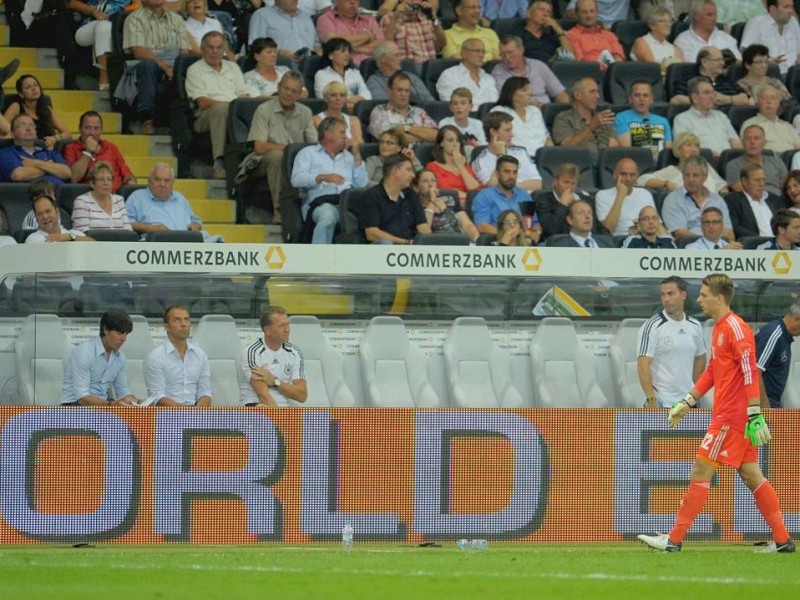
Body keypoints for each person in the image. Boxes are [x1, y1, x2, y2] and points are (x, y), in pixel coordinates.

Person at [638, 273, 795, 554]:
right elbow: (712, 371)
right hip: (732, 417)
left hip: (731, 418)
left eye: (703, 294)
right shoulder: (719, 328)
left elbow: (750, 370)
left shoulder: (736, 329)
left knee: (701, 470)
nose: (699, 298)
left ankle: (673, 540)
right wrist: (687, 402)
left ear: (719, 298)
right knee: (752, 476)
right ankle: (783, 540)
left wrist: (754, 413)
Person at [246, 71, 318, 224]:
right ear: (278, 87)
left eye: (294, 91)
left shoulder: (305, 112)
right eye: (286, 89)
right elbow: (259, 147)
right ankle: (280, 210)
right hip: (263, 162)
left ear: (299, 94)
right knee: (277, 156)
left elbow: (314, 145)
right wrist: (288, 150)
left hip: (295, 162)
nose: (289, 94)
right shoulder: (264, 110)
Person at [185, 31, 253, 179]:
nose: (215, 51)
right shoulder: (195, 70)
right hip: (205, 117)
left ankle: (251, 161)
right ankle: (219, 162)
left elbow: (243, 94)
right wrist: (231, 107)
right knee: (222, 109)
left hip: (234, 112)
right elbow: (202, 102)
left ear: (224, 50)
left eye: (219, 47)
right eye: (210, 47)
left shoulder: (233, 67)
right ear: (203, 49)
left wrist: (236, 109)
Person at [290, 117, 367, 243]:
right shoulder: (308, 154)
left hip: (347, 206)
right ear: (328, 135)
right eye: (342, 133)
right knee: (328, 216)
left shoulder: (349, 157)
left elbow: (361, 185)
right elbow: (296, 180)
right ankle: (320, 259)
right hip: (320, 204)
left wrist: (357, 156)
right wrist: (322, 177)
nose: (346, 137)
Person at [123, 0, 192, 134]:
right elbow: (139, 51)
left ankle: (189, 120)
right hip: (147, 63)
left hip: (174, 63)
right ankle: (146, 119)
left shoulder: (176, 19)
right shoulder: (134, 18)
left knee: (192, 67)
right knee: (149, 66)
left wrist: (177, 69)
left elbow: (184, 51)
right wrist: (165, 68)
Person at [637, 275, 706, 409]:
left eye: (670, 294)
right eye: (663, 295)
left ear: (683, 295)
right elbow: (642, 365)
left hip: (688, 403)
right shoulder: (651, 326)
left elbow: (701, 357)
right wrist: (651, 399)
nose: (666, 299)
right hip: (662, 403)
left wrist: (695, 390)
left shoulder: (695, 325)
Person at [60, 310, 140, 406]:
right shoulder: (84, 352)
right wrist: (111, 405)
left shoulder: (120, 358)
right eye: (120, 333)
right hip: (73, 407)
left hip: (102, 407)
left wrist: (139, 402)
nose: (124, 339)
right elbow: (82, 397)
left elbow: (123, 391)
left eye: (126, 334)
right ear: (106, 330)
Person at [126, 162, 221, 241]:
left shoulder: (180, 198)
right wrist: (152, 228)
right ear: (149, 181)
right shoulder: (137, 197)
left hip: (186, 242)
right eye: (158, 180)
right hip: (157, 243)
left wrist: (196, 225)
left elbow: (195, 219)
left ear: (172, 183)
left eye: (167, 181)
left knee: (218, 242)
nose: (162, 184)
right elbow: (125, 223)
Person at [144, 305, 212, 407]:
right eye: (177, 320)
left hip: (195, 413)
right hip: (166, 415)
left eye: (186, 320)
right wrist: (185, 413)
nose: (184, 324)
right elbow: (157, 396)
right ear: (167, 326)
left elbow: (205, 391)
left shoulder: (200, 355)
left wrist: (198, 412)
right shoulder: (155, 357)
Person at [240, 305, 308, 407]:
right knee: (262, 408)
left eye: (288, 325)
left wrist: (275, 381)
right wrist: (281, 421)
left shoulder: (295, 352)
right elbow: (263, 395)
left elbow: (302, 395)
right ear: (267, 330)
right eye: (281, 326)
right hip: (256, 405)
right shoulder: (252, 352)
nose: (287, 330)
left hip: (284, 408)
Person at [359, 153, 431, 244]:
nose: (413, 175)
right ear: (395, 172)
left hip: (409, 249)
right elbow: (372, 233)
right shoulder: (371, 196)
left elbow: (423, 227)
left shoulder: (412, 195)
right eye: (409, 170)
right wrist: (406, 242)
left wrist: (428, 244)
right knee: (385, 243)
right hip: (380, 251)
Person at [662, 155, 734, 239]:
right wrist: (708, 243)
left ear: (705, 177)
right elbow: (680, 234)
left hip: (720, 248)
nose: (690, 179)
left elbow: (729, 233)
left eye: (695, 175)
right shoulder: (673, 199)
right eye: (687, 175)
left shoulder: (718, 200)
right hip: (690, 249)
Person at [62, 111, 136, 191]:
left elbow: (127, 175)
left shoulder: (111, 147)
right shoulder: (71, 148)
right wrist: (88, 152)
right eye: (87, 128)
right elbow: (74, 178)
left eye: (96, 128)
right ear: (80, 129)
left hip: (115, 197)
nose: (92, 133)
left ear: (101, 130)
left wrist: (131, 183)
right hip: (89, 197)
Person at [471, 155, 540, 242]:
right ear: (497, 173)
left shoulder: (524, 195)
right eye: (506, 172)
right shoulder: (484, 196)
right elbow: (482, 226)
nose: (511, 176)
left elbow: (535, 223)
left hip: (524, 243)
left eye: (515, 172)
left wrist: (536, 232)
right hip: (498, 243)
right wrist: (510, 235)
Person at [69, 0, 131, 91]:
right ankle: (104, 77)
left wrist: (122, 12)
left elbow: (138, 4)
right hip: (89, 25)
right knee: (104, 26)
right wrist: (93, 11)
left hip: (121, 22)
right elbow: (72, 3)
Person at [472, 112, 542, 191]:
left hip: (528, 200)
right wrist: (500, 156)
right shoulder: (480, 162)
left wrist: (511, 187)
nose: (512, 135)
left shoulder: (520, 152)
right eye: (507, 130)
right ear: (493, 132)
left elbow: (539, 183)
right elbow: (493, 187)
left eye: (511, 130)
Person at [673, 76, 741, 157]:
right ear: (695, 98)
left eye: (713, 92)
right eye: (707, 93)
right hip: (703, 162)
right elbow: (684, 149)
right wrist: (709, 155)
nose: (712, 97)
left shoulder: (721, 116)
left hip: (729, 161)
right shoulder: (682, 119)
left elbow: (736, 142)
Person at [638, 131, 726, 194]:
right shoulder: (672, 171)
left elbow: (721, 186)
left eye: (696, 146)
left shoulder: (705, 166)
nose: (693, 149)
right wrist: (666, 184)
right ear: (678, 149)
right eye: (688, 145)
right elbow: (642, 179)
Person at [491, 35, 567, 107]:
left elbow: (560, 93)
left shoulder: (538, 65)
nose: (507, 57)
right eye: (503, 54)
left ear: (521, 50)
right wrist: (533, 105)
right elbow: (507, 100)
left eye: (510, 52)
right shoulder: (498, 71)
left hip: (546, 111)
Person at [2, 74, 71, 150]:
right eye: (28, 87)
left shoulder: (46, 109)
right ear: (21, 94)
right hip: (23, 149)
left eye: (35, 85)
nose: (33, 89)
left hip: (46, 150)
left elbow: (67, 133)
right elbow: (4, 129)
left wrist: (54, 138)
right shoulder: (16, 107)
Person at [552, 77, 617, 157]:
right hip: (579, 164)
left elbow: (614, 147)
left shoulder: (603, 117)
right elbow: (567, 149)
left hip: (604, 163)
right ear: (577, 95)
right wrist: (591, 127)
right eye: (592, 92)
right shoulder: (563, 118)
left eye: (597, 92)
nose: (598, 96)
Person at [0, 114, 72, 185]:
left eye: (32, 125)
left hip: (58, 194)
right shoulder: (6, 153)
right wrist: (50, 166)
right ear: (12, 133)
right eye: (22, 125)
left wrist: (35, 163)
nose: (29, 128)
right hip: (28, 195)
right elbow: (19, 175)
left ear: (36, 132)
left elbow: (67, 173)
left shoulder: (51, 153)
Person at [368, 72, 438, 143]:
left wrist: (406, 128)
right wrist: (424, 136)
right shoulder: (380, 111)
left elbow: (437, 136)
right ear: (389, 91)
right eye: (399, 90)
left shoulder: (419, 112)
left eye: (406, 90)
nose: (403, 94)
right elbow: (392, 139)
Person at [489, 77, 551, 158]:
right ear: (512, 94)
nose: (530, 93)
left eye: (529, 89)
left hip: (542, 157)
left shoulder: (535, 111)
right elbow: (496, 138)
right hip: (514, 156)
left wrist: (549, 154)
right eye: (524, 90)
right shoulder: (499, 111)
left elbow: (547, 138)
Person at [594, 158, 656, 237]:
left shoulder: (645, 194)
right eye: (623, 174)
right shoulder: (602, 195)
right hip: (618, 241)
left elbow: (656, 224)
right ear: (614, 175)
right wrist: (620, 196)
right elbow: (607, 229)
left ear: (637, 176)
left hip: (643, 239)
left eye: (632, 175)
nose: (628, 179)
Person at [534, 162, 597, 240]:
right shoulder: (543, 201)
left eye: (573, 183)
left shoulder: (586, 200)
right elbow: (550, 231)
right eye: (566, 182)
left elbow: (597, 228)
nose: (569, 187)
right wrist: (562, 205)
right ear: (555, 182)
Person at [669, 46, 749, 107]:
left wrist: (728, 99)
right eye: (718, 60)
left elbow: (745, 99)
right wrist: (707, 100)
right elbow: (676, 100)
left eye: (722, 60)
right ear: (704, 62)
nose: (722, 63)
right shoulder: (689, 81)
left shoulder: (729, 81)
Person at [755, 302, 800, 409]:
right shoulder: (774, 334)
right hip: (764, 403)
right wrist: (765, 405)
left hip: (773, 402)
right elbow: (755, 371)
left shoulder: (785, 336)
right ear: (798, 319)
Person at [614, 80, 672, 162]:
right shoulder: (622, 118)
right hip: (637, 164)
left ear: (651, 99)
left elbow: (667, 152)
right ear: (630, 99)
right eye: (637, 95)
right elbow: (628, 150)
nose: (641, 99)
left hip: (660, 166)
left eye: (645, 95)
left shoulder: (663, 121)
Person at [740, 0, 800, 79]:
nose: (791, 11)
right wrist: (767, 61)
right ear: (772, 9)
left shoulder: (793, 22)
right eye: (786, 7)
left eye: (792, 7)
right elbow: (746, 51)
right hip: (770, 74)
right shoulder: (757, 22)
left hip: (795, 73)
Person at [414, 168, 479, 240]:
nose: (430, 184)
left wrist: (477, 240)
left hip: (459, 240)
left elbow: (467, 225)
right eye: (425, 181)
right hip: (438, 245)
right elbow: (425, 232)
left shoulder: (450, 199)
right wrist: (432, 202)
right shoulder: (416, 207)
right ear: (416, 187)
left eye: (433, 181)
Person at [725, 124, 787, 197]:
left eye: (757, 138)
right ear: (743, 143)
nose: (752, 142)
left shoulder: (776, 161)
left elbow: (787, 186)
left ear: (764, 143)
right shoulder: (733, 165)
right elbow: (742, 191)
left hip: (780, 201)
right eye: (748, 138)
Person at [726, 163, 784, 240]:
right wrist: (760, 240)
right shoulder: (733, 201)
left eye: (763, 179)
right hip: (753, 246)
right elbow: (736, 228)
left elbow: (785, 223)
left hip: (780, 246)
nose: (762, 184)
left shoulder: (775, 200)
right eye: (757, 180)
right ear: (744, 182)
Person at [315, 0, 384, 66]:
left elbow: (382, 45)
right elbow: (332, 42)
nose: (353, 2)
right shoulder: (326, 19)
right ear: (336, 1)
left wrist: (353, 48)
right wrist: (367, 36)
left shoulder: (369, 20)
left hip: (371, 67)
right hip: (344, 69)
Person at [71, 161, 133, 232]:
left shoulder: (119, 200)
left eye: (109, 180)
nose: (106, 183)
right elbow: (82, 233)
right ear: (92, 184)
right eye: (101, 180)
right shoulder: (82, 202)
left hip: (118, 242)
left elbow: (128, 230)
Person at [673, 0, 741, 63]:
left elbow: (738, 62)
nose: (714, 18)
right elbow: (693, 65)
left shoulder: (726, 38)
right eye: (709, 15)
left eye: (715, 14)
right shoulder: (683, 40)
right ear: (696, 16)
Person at [365, 41, 434, 103]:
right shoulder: (374, 81)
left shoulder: (411, 77)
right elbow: (383, 104)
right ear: (384, 59)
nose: (400, 59)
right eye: (396, 55)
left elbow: (429, 101)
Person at [379, 0, 445, 64]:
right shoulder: (389, 18)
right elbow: (386, 45)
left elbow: (441, 44)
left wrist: (434, 18)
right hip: (404, 66)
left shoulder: (428, 18)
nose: (412, 2)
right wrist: (395, 17)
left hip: (428, 67)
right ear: (402, 1)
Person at [436, 39, 498, 106]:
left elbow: (495, 103)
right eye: (477, 51)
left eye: (483, 52)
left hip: (490, 115)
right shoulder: (449, 75)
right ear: (464, 53)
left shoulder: (488, 78)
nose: (481, 55)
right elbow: (452, 104)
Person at [740, 85, 800, 154]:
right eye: (764, 98)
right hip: (768, 160)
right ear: (758, 102)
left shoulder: (787, 126)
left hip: (791, 160)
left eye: (773, 98)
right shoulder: (750, 124)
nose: (769, 101)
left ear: (778, 104)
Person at [314, 37, 371, 109]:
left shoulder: (355, 73)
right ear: (330, 55)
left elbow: (368, 96)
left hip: (355, 111)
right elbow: (324, 98)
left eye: (348, 51)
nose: (347, 54)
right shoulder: (322, 75)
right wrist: (354, 100)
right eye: (343, 51)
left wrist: (345, 101)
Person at [565, 0, 624, 69]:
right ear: (576, 14)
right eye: (584, 12)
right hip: (588, 74)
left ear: (597, 13)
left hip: (611, 74)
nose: (589, 16)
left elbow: (619, 58)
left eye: (592, 11)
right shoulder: (572, 35)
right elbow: (579, 63)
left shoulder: (610, 35)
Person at [425, 125, 481, 199]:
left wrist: (461, 166)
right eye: (450, 140)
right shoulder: (432, 167)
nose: (455, 144)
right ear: (441, 143)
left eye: (457, 141)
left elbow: (475, 189)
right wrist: (468, 197)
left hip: (470, 204)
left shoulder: (464, 166)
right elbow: (444, 191)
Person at [247, 0, 321, 55]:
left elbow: (316, 44)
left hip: (309, 65)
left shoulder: (305, 17)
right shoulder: (262, 15)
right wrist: (279, 52)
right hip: (280, 64)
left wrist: (319, 50)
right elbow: (255, 47)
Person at [630, 7, 683, 75]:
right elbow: (652, 67)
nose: (668, 24)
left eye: (670, 21)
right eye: (662, 21)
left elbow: (680, 70)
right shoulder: (641, 42)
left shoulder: (674, 48)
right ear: (652, 25)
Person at [25, 193, 95, 244]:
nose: (45, 217)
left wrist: (70, 237)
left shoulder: (72, 234)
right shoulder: (33, 239)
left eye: (48, 211)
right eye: (39, 214)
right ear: (36, 218)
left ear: (57, 212)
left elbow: (94, 244)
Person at [313, 81, 364, 145]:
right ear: (325, 98)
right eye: (333, 95)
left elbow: (360, 142)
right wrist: (350, 142)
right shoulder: (316, 119)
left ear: (345, 99)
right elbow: (330, 139)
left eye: (342, 95)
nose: (338, 98)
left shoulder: (354, 120)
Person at [548, 199, 615, 247]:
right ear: (570, 220)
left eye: (589, 212)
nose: (587, 216)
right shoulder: (560, 246)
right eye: (581, 212)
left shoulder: (608, 243)